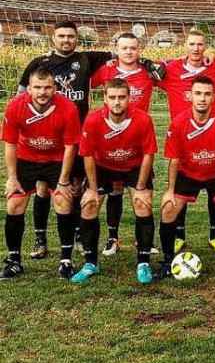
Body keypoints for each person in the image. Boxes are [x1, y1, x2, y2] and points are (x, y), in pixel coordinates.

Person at [18, 21, 160, 259]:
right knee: (43, 188)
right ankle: (40, 239)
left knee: (75, 185)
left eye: (70, 36)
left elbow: (121, 54)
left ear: (77, 38)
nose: (66, 40)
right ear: (53, 38)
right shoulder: (40, 62)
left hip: (79, 134)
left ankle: (79, 234)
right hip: (50, 133)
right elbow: (22, 95)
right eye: (61, 36)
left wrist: (146, 61)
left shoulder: (87, 59)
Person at [157, 77, 215, 281]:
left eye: (207, 94)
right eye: (198, 93)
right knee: (168, 208)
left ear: (214, 97)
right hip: (188, 173)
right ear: (190, 96)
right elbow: (174, 160)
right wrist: (170, 191)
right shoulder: (179, 122)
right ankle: (168, 261)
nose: (202, 98)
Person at [71, 79, 158, 284]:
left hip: (134, 166)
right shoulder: (93, 119)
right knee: (89, 205)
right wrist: (92, 189)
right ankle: (90, 263)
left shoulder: (143, 119)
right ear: (105, 98)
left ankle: (143, 262)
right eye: (112, 97)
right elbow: (87, 155)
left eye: (121, 97)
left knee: (142, 203)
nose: (117, 102)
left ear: (129, 98)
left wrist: (140, 187)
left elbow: (149, 154)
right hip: (103, 166)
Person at [1, 68, 80, 279]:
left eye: (47, 87)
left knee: (63, 200)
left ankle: (66, 260)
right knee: (14, 204)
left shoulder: (68, 108)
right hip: (26, 159)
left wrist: (64, 181)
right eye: (37, 87)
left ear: (55, 88)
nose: (42, 92)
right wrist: (12, 178)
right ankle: (14, 261)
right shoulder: (16, 106)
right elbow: (10, 143)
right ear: (29, 89)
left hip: (56, 160)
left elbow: (71, 146)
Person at [158, 30, 215, 255]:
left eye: (200, 44)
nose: (196, 48)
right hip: (183, 137)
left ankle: (214, 236)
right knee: (182, 191)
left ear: (205, 46)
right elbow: (144, 66)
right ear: (185, 46)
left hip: (212, 135)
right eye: (192, 44)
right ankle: (179, 236)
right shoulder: (172, 69)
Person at [91, 32, 158, 257]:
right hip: (110, 140)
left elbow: (176, 72)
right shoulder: (106, 71)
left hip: (137, 141)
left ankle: (143, 241)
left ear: (139, 50)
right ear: (116, 50)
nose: (129, 52)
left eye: (133, 48)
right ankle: (113, 238)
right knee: (114, 191)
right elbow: (83, 81)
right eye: (124, 48)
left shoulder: (149, 73)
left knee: (142, 194)